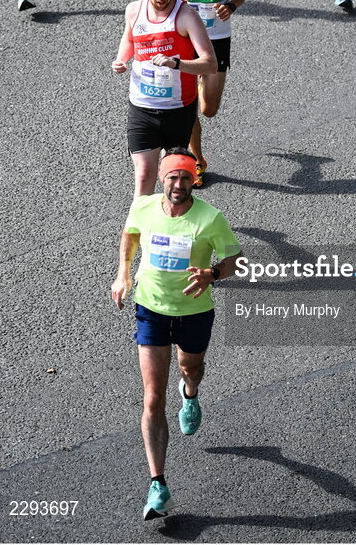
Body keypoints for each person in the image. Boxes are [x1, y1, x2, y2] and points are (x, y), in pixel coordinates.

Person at [111, 148, 242, 519]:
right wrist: (123, 272)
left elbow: (238, 259)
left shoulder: (210, 218)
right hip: (151, 309)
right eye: (172, 177)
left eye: (186, 177)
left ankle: (191, 395)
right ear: (163, 180)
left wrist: (213, 274)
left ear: (193, 181)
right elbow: (130, 234)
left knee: (191, 369)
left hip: (194, 312)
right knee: (152, 398)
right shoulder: (144, 207)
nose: (179, 184)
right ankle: (158, 485)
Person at [111, 0, 217, 199]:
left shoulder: (186, 16)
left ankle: (179, 226)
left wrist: (176, 63)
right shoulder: (134, 10)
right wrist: (122, 60)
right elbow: (129, 39)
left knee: (176, 180)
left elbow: (210, 63)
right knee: (143, 175)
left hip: (177, 111)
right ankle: (137, 234)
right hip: (142, 108)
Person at [167, 0, 254, 186]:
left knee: (209, 109)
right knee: (188, 106)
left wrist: (231, 5)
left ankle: (201, 88)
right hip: (184, 43)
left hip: (216, 42)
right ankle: (197, 160)